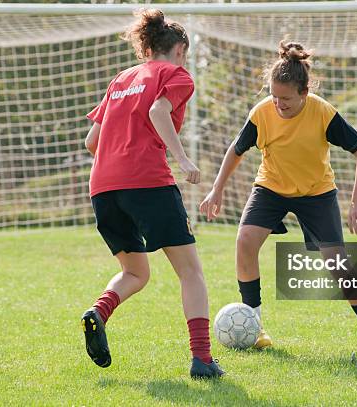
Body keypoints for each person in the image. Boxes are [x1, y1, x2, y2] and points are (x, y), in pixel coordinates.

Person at [200, 40, 357, 353]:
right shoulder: (262, 113)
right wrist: (217, 189)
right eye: (274, 96)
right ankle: (256, 327)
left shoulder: (322, 112)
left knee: (338, 265)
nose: (278, 104)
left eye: (286, 98)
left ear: (304, 93)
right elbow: (236, 150)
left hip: (317, 193)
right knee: (245, 242)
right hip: (270, 189)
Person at [81, 9, 224, 379]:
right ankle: (203, 359)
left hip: (103, 188)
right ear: (179, 49)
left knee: (135, 272)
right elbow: (160, 110)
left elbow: (91, 141)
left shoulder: (121, 79)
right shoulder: (176, 74)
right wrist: (183, 159)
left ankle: (98, 312)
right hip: (146, 182)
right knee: (190, 271)